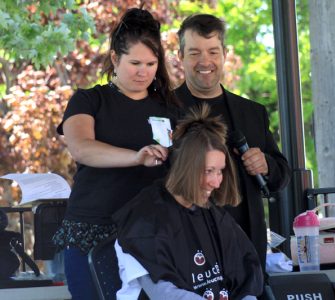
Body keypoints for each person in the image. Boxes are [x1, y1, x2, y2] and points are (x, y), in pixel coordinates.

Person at [52, 7, 180, 300]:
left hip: (151, 234)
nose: (143, 71)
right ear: (114, 58)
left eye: (150, 63)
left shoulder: (171, 109)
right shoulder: (88, 100)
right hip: (91, 229)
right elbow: (82, 148)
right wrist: (136, 157)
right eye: (134, 62)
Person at [174, 13, 291, 275]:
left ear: (225, 54)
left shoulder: (252, 112)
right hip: (186, 248)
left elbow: (281, 177)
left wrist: (266, 165)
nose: (205, 61)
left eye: (213, 52)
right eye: (194, 53)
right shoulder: (164, 110)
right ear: (180, 56)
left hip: (245, 249)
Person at [113, 104, 264, 299]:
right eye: (209, 171)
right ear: (187, 168)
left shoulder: (211, 213)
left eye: (220, 171)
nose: (216, 182)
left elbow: (246, 273)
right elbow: (163, 293)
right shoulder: (143, 220)